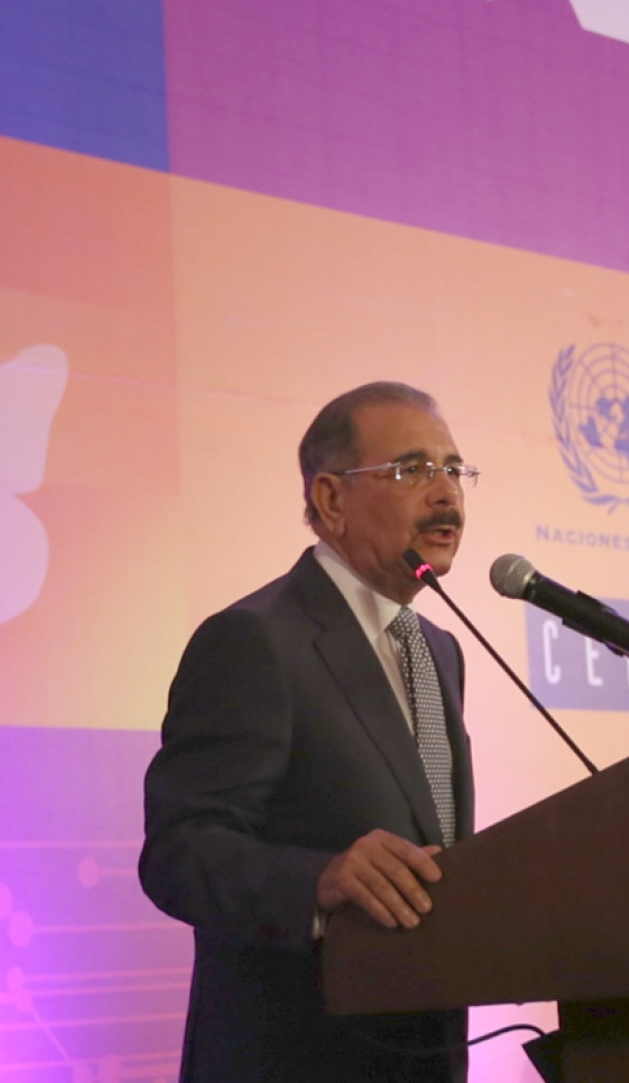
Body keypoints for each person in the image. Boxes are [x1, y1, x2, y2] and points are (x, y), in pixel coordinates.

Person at [138, 382, 477, 1083]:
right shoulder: (255, 640)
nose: (446, 491)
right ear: (330, 500)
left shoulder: (440, 650)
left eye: (453, 468)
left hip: (423, 1054)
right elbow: (179, 852)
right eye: (413, 469)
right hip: (293, 1056)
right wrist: (318, 879)